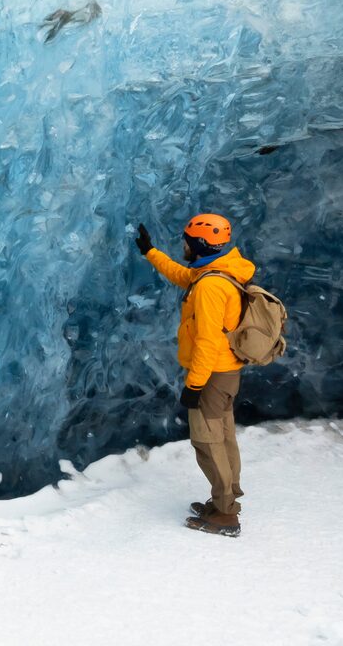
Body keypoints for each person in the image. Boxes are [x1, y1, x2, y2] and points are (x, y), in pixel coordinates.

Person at [135, 214, 255, 537]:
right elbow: (182, 275)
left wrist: (195, 385)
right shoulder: (215, 274)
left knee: (208, 441)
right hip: (226, 371)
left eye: (187, 240)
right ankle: (225, 500)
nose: (184, 244)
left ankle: (226, 515)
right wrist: (151, 252)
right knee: (225, 436)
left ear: (199, 244)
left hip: (212, 374)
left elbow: (207, 341)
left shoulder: (210, 288)